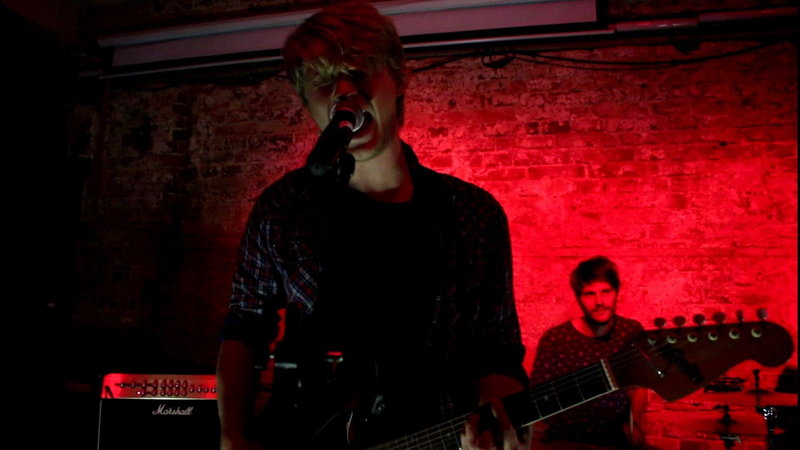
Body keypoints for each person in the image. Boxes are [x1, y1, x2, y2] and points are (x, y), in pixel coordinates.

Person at [215, 2, 531, 449]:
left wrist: (499, 423)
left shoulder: (473, 213)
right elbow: (245, 327)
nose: (345, 91)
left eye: (358, 71)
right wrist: (232, 435)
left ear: (398, 78)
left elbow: (497, 351)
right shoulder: (284, 208)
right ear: (307, 103)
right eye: (324, 82)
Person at [530, 256, 647, 449]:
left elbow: (639, 387)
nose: (599, 302)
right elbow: (538, 395)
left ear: (616, 292)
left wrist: (635, 425)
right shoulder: (556, 339)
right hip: (565, 442)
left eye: (606, 292)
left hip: (615, 441)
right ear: (579, 298)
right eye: (589, 294)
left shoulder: (631, 331)